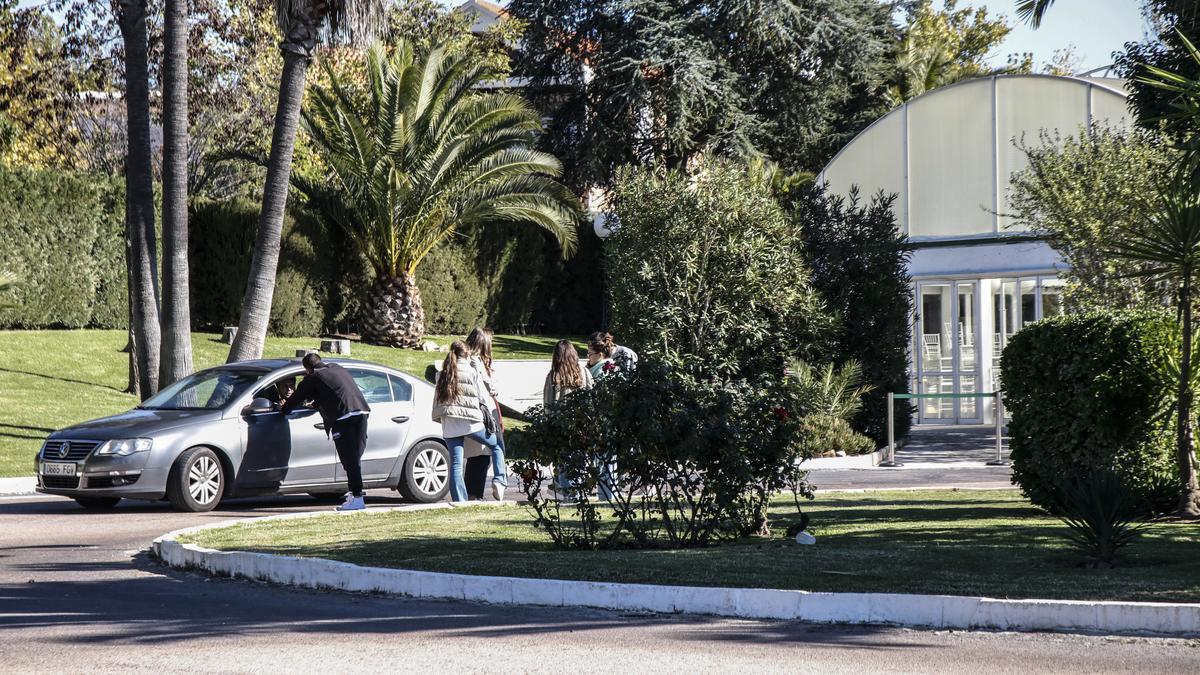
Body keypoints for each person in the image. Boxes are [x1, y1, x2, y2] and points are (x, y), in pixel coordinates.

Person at [281, 353, 371, 512]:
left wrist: (283, 408)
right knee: (355, 460)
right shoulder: (337, 368)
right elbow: (334, 391)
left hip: (344, 418)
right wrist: (316, 403)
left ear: (307, 369)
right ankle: (355, 495)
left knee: (349, 460)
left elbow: (296, 399)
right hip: (361, 412)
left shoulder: (313, 377)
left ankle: (357, 499)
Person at [433, 340, 507, 503]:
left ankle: (460, 500)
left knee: (456, 465)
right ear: (466, 354)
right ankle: (500, 480)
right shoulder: (471, 370)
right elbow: (481, 397)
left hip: (450, 425)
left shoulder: (442, 372)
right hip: (470, 422)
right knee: (496, 445)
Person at [465, 327, 503, 498]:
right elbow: (481, 391)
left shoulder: (470, 360)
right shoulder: (475, 363)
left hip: (479, 412)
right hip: (483, 412)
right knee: (490, 450)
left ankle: (473, 494)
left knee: (478, 455)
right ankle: (497, 482)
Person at [543, 339, 593, 407]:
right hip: (581, 414)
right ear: (573, 354)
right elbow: (592, 395)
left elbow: (547, 403)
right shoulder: (585, 371)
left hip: (560, 416)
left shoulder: (553, 375)